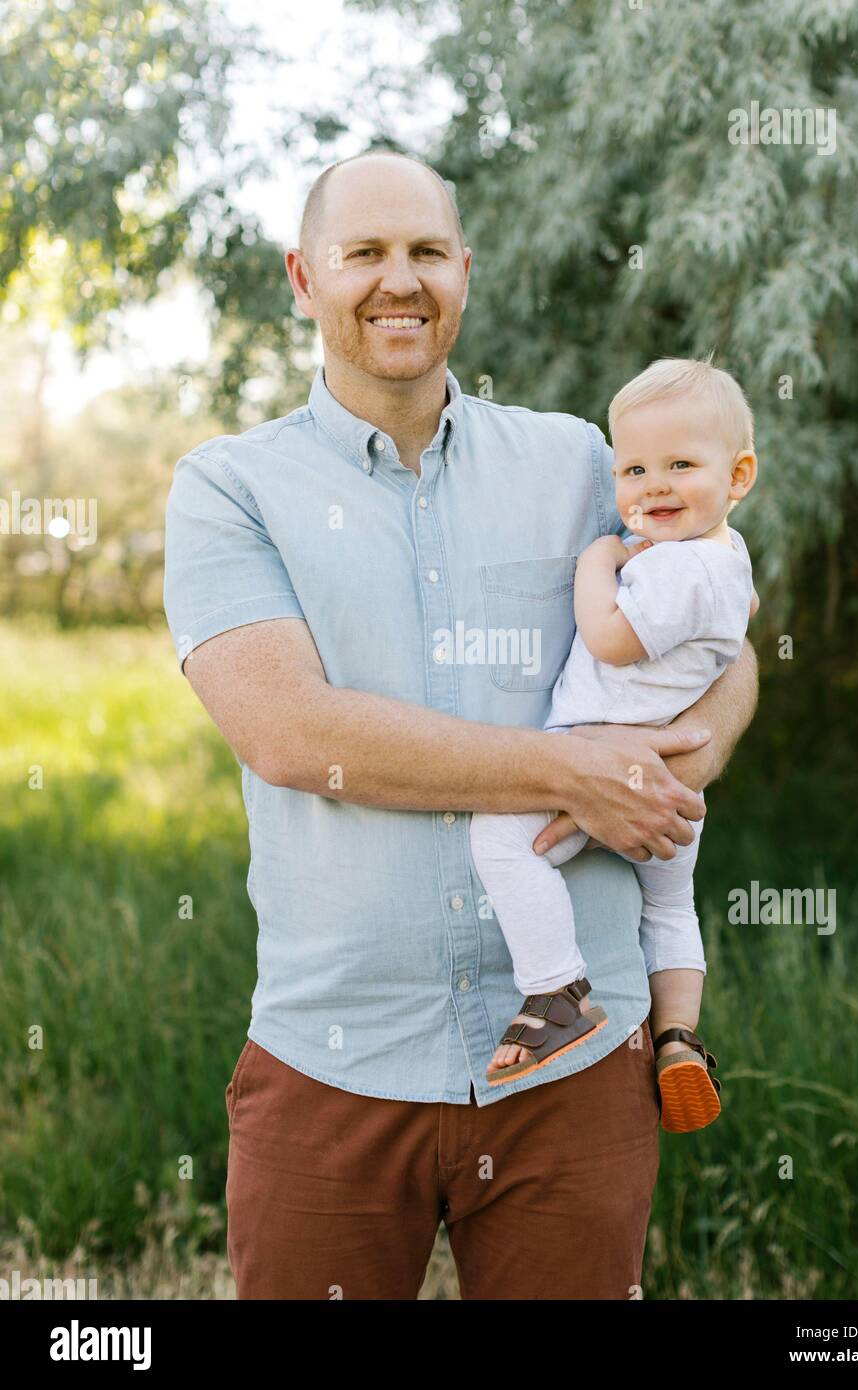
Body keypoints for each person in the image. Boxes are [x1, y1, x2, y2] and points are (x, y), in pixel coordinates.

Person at [163, 148, 758, 1300]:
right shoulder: (229, 488)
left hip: (579, 1062)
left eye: (427, 251)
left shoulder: (578, 461)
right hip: (335, 1052)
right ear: (303, 276)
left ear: (465, 271)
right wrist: (569, 772)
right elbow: (290, 731)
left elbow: (720, 633)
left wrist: (703, 741)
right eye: (364, 254)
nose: (400, 280)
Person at [469, 357, 758, 1136]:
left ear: (739, 475)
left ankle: (557, 991)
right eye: (633, 468)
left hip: (594, 761)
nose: (653, 487)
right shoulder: (728, 559)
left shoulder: (677, 570)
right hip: (669, 792)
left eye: (680, 466)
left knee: (498, 838)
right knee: (668, 909)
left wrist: (598, 560)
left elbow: (610, 637)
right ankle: (678, 1038)